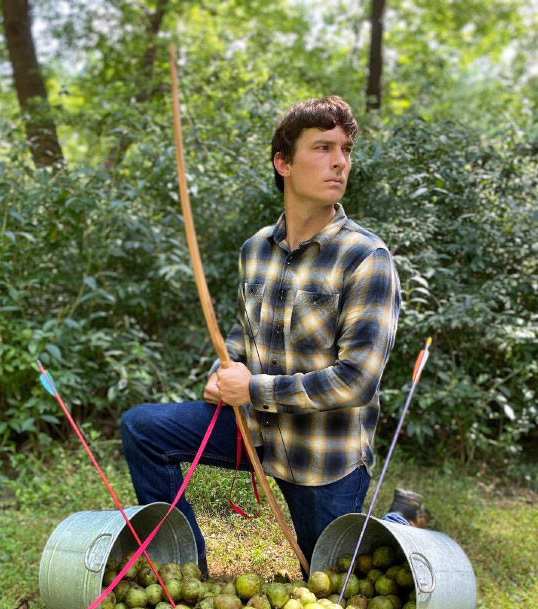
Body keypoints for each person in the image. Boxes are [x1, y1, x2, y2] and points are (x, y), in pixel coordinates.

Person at [120, 96, 402, 578]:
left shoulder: (366, 257)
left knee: (334, 588)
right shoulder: (256, 250)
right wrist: (221, 371)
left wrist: (251, 389)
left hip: (322, 456)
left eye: (345, 149)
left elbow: (357, 381)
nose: (340, 161)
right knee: (142, 428)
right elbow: (240, 335)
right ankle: (186, 568)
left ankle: (400, 521)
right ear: (283, 162)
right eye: (322, 147)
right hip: (253, 432)